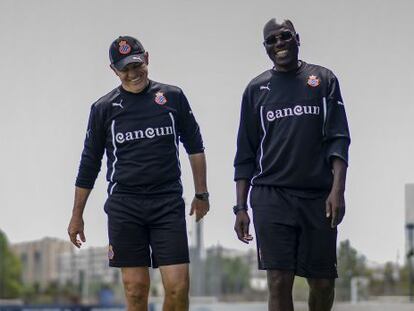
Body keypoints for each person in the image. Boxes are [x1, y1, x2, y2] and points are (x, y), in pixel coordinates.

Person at [68, 35, 209, 311]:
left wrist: (201, 192)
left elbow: (195, 145)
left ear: (147, 58)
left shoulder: (172, 97)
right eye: (125, 69)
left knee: (179, 288)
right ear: (114, 70)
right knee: (135, 291)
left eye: (137, 65)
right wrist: (76, 215)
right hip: (125, 207)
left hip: (166, 203)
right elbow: (89, 164)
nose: (133, 74)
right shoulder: (103, 109)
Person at [233, 18, 350, 311]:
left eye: (284, 36)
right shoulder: (255, 90)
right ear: (266, 48)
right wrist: (241, 207)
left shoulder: (323, 80)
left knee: (322, 284)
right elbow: (245, 154)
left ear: (297, 38)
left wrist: (338, 190)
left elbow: (338, 140)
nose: (279, 44)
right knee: (278, 279)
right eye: (271, 41)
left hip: (317, 197)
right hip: (271, 196)